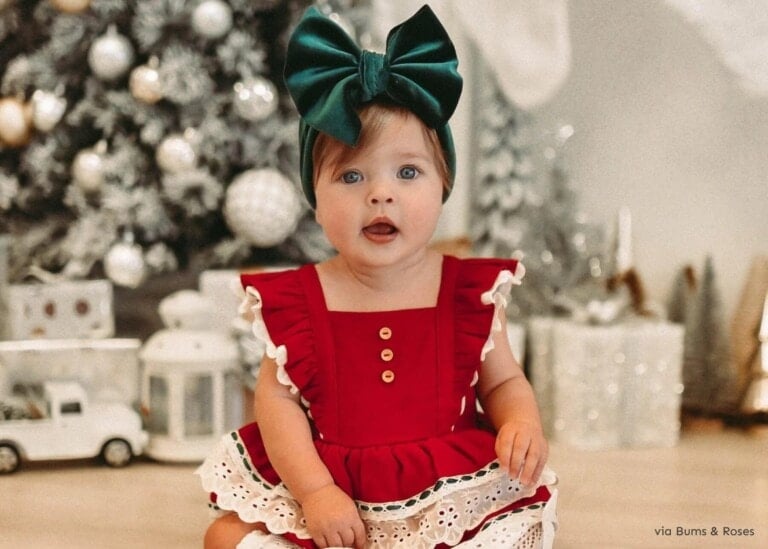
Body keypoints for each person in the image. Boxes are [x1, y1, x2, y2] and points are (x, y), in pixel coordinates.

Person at [198, 5, 557, 548]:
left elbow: (502, 382)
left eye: (408, 171)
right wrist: (315, 492)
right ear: (316, 200)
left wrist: (520, 423)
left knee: (513, 531)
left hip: (444, 490)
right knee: (226, 537)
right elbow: (277, 405)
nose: (380, 193)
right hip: (333, 491)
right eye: (351, 175)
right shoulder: (299, 301)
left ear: (443, 185)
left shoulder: (468, 293)